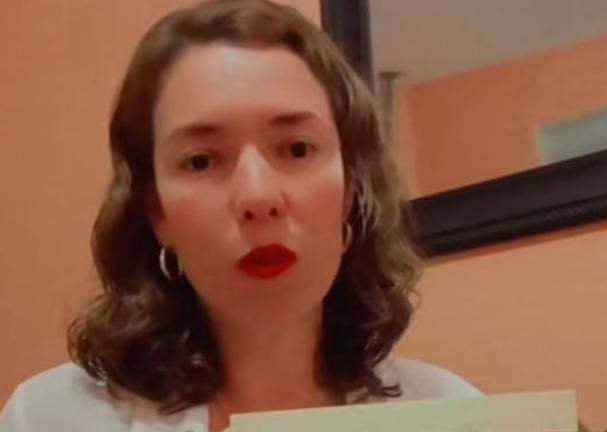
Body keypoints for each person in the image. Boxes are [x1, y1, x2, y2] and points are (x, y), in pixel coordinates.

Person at [0, 0, 480, 431]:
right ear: (157, 211)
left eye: (296, 149)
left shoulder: (456, 416)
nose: (258, 196)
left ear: (351, 190)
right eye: (201, 161)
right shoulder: (48, 419)